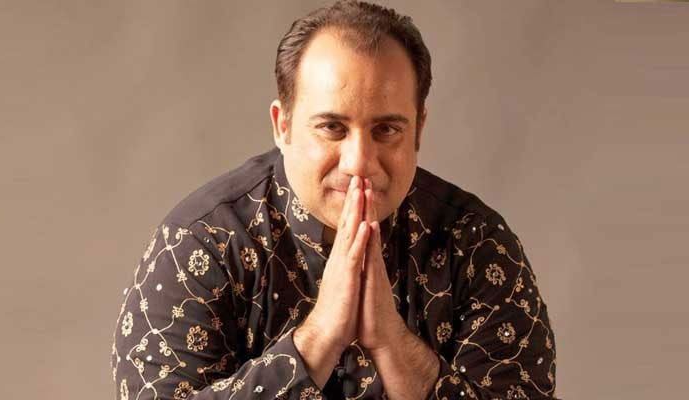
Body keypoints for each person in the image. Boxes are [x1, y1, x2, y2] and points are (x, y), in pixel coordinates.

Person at [111, 1, 559, 399]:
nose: (359, 161)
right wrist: (319, 339)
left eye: (387, 129)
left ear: (418, 129)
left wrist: (393, 344)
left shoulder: (477, 245)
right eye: (332, 128)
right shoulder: (200, 244)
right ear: (283, 125)